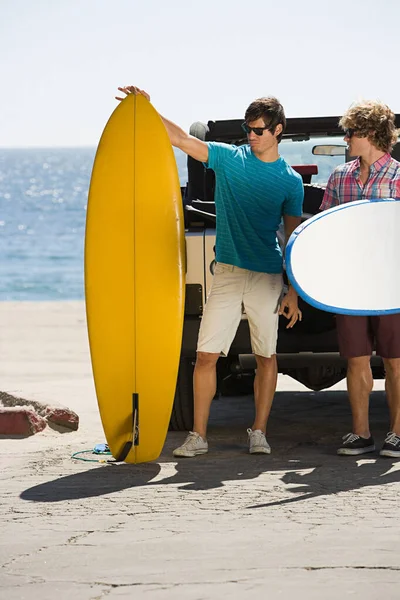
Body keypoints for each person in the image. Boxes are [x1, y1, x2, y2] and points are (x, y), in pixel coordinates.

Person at [116, 86, 304, 457]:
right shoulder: (230, 158)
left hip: (267, 276)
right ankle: (198, 437)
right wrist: (148, 108)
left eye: (259, 130)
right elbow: (183, 140)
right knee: (205, 356)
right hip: (229, 274)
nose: (251, 136)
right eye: (248, 129)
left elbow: (294, 236)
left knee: (266, 357)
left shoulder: (290, 180)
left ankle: (259, 432)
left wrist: (292, 290)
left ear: (278, 130)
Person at [320, 100, 400, 458]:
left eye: (349, 132)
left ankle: (397, 434)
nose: (346, 139)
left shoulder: (398, 176)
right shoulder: (340, 176)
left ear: (369, 133)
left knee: (397, 361)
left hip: (391, 284)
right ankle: (361, 434)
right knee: (356, 358)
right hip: (350, 286)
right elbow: (322, 227)